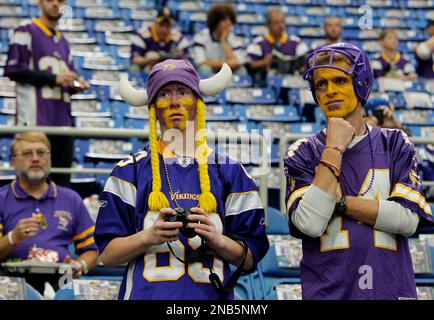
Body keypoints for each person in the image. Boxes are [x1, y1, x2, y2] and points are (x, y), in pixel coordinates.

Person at [94, 59, 269, 300]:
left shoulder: (231, 171)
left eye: (183, 91)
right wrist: (148, 237)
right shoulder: (128, 171)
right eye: (165, 93)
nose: (175, 101)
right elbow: (107, 256)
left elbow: (250, 260)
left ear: (198, 103)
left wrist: (217, 240)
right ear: (153, 106)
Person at [283, 43, 433, 300]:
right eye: (321, 84)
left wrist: (339, 203)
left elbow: (407, 220)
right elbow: (308, 222)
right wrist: (333, 148)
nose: (329, 91)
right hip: (329, 293)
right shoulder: (302, 151)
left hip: (390, 291)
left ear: (361, 83)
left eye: (340, 80)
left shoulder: (395, 142)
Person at [4, 0, 90, 188]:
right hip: (34, 121)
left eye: (60, 0)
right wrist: (54, 78)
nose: (55, 4)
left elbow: (63, 81)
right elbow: (13, 70)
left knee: (61, 185)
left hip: (62, 123)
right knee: (31, 183)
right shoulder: (25, 30)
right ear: (40, 2)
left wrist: (75, 85)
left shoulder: (65, 42)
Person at [0, 132, 98, 294]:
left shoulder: (71, 198)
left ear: (50, 159)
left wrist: (80, 265)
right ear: (13, 161)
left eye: (41, 153)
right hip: (11, 281)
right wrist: (13, 238)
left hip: (61, 281)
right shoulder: (2, 198)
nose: (35, 158)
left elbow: (92, 249)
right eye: (27, 153)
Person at [247, 7, 308, 85]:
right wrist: (263, 62)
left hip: (293, 83)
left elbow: (306, 63)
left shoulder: (296, 42)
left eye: (283, 22)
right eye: (276, 23)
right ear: (268, 25)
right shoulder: (258, 43)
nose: (281, 26)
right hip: (266, 84)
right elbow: (250, 65)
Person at [189, 3, 247, 75]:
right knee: (204, 69)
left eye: (230, 20)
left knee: (241, 71)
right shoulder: (201, 36)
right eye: (224, 20)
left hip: (226, 71)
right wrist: (225, 64)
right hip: (210, 70)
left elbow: (237, 62)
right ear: (215, 21)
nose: (229, 23)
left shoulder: (234, 38)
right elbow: (200, 61)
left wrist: (224, 41)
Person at [130, 7, 189, 71]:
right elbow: (135, 59)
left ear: (172, 25)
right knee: (134, 68)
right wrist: (151, 59)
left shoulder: (178, 37)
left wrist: (178, 57)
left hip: (172, 70)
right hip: (148, 67)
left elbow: (187, 62)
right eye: (161, 24)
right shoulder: (142, 35)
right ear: (155, 23)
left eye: (167, 26)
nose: (164, 29)